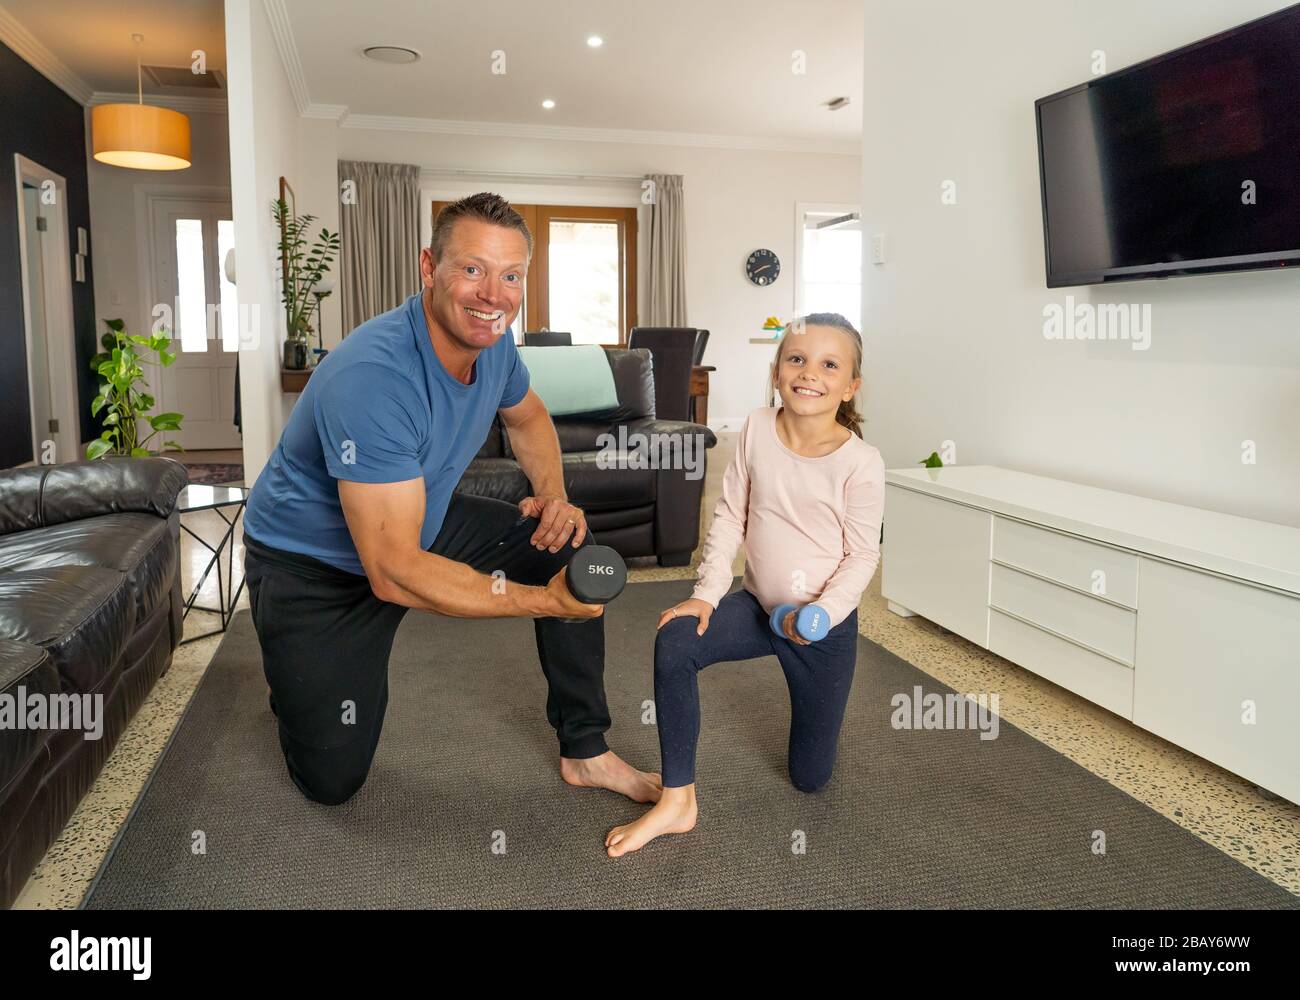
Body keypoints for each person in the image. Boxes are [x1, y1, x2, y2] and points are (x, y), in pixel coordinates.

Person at [242, 192, 661, 806]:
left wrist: (553, 498)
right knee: (331, 782)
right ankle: (293, 685)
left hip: (417, 523)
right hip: (314, 565)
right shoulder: (373, 376)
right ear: (427, 268)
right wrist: (542, 602)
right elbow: (391, 572)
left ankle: (586, 750)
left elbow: (528, 418)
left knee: (566, 542)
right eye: (472, 269)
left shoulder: (495, 347)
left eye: (510, 275)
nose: (493, 295)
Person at [605, 314, 884, 856]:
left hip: (819, 628)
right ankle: (678, 800)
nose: (809, 374)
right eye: (796, 359)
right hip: (758, 608)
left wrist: (822, 613)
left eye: (830, 364)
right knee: (676, 640)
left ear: (850, 386)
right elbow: (731, 515)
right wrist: (706, 594)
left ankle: (811, 700)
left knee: (810, 777)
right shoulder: (757, 426)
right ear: (778, 370)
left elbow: (861, 555)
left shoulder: (862, 463)